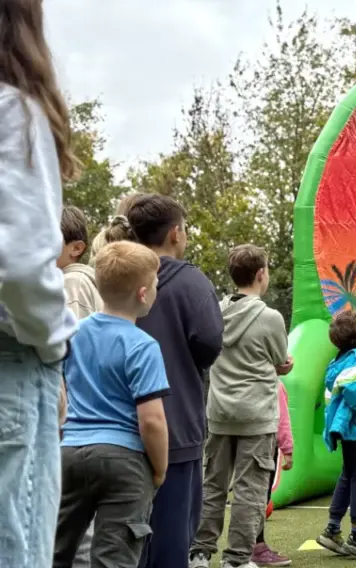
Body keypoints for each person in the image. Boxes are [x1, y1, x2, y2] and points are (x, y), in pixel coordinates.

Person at [0, 1, 80, 565]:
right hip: (12, 357)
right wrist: (55, 341)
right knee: (18, 543)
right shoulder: (14, 109)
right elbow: (22, 262)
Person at [107, 195, 224, 568]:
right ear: (176, 233)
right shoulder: (190, 281)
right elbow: (209, 341)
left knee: (118, 546)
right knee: (172, 543)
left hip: (113, 435)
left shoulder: (110, 276)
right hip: (175, 430)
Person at [53, 241, 170, 568]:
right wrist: (159, 469)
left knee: (55, 551)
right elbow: (152, 421)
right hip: (125, 461)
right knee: (113, 558)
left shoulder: (74, 333)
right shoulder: (143, 346)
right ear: (143, 294)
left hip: (71, 453)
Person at [189, 245, 292, 568]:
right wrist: (284, 365)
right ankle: (237, 559)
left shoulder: (214, 312)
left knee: (213, 485)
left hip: (219, 413)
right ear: (261, 274)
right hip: (257, 417)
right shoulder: (270, 317)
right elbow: (280, 361)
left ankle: (200, 553)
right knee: (250, 490)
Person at [56, 205, 104, 567]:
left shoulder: (72, 281)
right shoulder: (84, 280)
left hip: (72, 417)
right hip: (80, 418)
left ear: (76, 247)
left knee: (74, 520)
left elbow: (70, 348)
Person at [316, 311, 356, 560]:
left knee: (349, 473)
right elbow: (354, 389)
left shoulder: (338, 361)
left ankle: (332, 529)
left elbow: (334, 392)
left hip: (346, 427)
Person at [248, 380, 294, 567]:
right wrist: (288, 449)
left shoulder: (245, 379)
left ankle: (244, 546)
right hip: (265, 446)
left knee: (248, 495)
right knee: (260, 497)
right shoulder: (274, 384)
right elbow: (281, 419)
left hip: (242, 443)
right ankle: (256, 546)